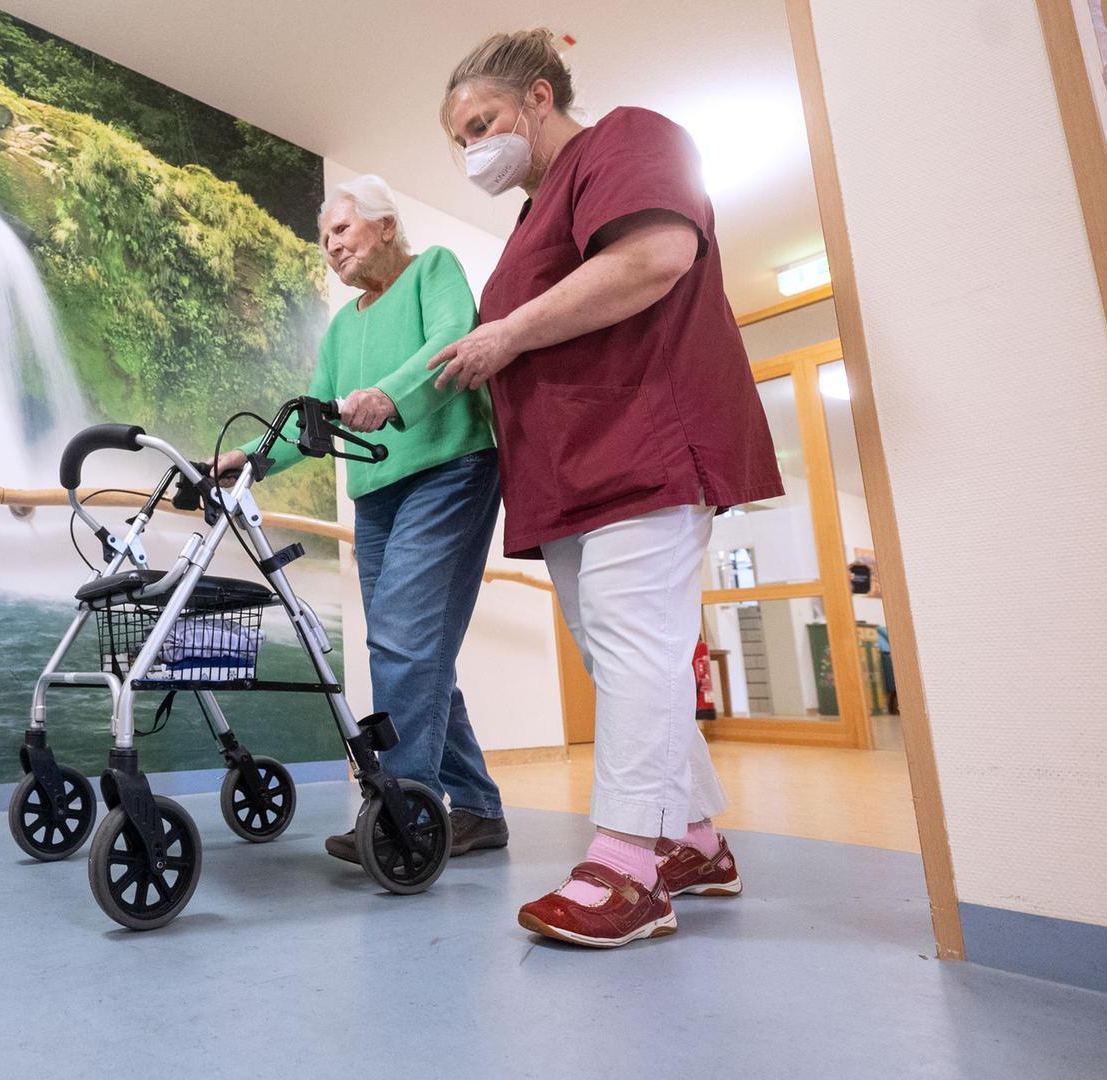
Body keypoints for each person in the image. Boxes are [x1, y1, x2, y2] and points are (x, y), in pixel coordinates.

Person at [428, 30, 784, 947]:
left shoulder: (628, 139)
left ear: (538, 98)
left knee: (636, 652)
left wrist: (505, 337)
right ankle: (697, 842)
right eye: (458, 139)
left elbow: (654, 256)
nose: (474, 149)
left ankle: (628, 867)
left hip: (642, 445)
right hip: (572, 471)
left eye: (483, 123)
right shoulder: (530, 221)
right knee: (624, 659)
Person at [211, 174, 508, 863]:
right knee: (413, 651)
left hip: (451, 471)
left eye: (340, 231)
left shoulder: (433, 269)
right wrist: (250, 460)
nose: (331, 249)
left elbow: (454, 343)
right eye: (323, 241)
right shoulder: (343, 326)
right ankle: (480, 810)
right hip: (377, 496)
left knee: (404, 643)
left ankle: (403, 811)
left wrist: (387, 395)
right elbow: (309, 416)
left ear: (383, 225)